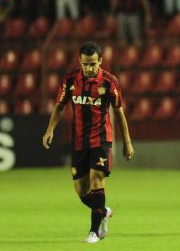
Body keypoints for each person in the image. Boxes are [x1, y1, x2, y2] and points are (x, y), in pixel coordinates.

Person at [42, 41, 134, 243]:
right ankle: (102, 210)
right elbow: (59, 106)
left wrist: (127, 142)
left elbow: (119, 112)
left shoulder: (110, 82)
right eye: (85, 64)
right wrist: (50, 130)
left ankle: (94, 231)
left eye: (93, 63)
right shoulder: (70, 80)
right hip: (78, 142)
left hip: (101, 140)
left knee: (96, 181)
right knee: (81, 191)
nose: (89, 68)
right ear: (80, 61)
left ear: (100, 61)